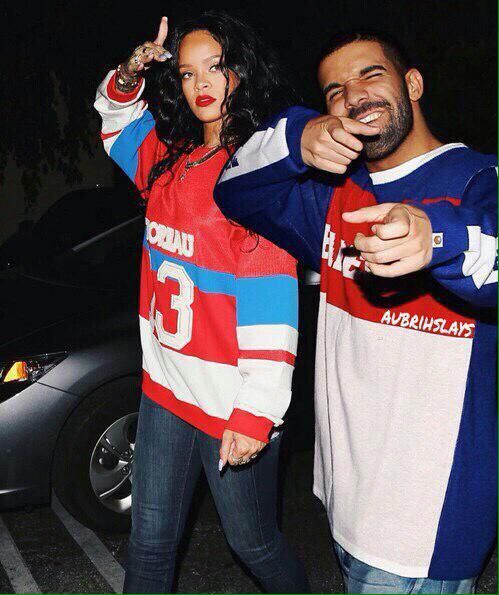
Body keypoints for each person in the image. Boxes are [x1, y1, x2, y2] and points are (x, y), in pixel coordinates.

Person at [215, 30, 497, 594]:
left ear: (412, 84)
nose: (354, 95)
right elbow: (233, 189)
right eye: (335, 90)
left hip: (422, 528)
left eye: (371, 74)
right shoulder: (332, 196)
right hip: (347, 502)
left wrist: (438, 237)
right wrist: (297, 135)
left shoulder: (477, 179)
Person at [94, 11, 310, 594]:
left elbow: (271, 297)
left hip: (229, 400)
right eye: (187, 74)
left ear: (241, 69)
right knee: (149, 542)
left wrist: (256, 410)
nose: (201, 84)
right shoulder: (172, 161)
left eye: (215, 67)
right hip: (165, 390)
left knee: (254, 545)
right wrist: (128, 72)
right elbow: (114, 123)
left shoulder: (255, 170)